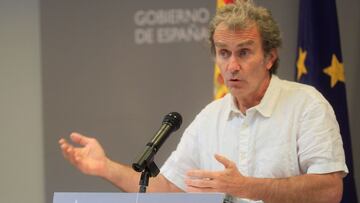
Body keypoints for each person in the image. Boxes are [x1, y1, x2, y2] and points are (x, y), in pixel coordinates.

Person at [59, 1, 347, 202]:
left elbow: (329, 190)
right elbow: (169, 189)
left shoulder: (307, 104)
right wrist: (104, 167)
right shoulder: (211, 116)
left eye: (244, 52)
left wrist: (246, 187)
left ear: (270, 57)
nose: (232, 65)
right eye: (223, 53)